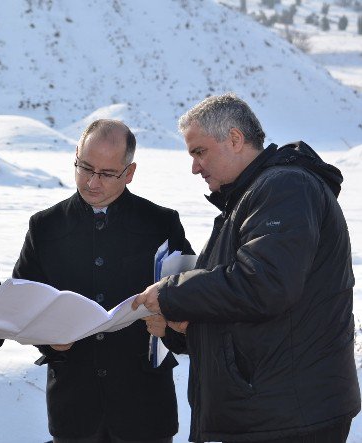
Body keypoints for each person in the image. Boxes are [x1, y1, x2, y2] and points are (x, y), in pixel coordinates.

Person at [132, 93, 361, 443]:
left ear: (235, 139)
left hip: (291, 416)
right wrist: (180, 328)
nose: (195, 167)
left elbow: (264, 284)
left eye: (199, 152)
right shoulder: (249, 198)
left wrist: (171, 293)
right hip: (269, 410)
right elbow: (244, 311)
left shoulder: (285, 188)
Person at [13, 119, 193, 443]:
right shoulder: (45, 226)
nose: (92, 182)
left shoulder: (161, 224)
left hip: (145, 412)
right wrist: (49, 341)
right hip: (74, 411)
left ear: (130, 172)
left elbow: (193, 300)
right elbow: (22, 304)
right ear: (76, 156)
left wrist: (170, 324)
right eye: (85, 168)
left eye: (107, 174)